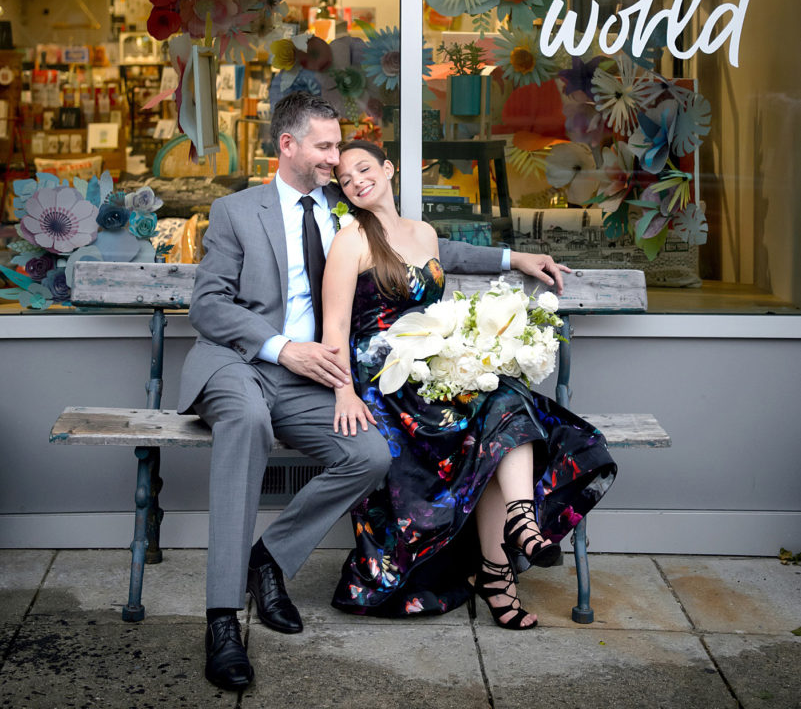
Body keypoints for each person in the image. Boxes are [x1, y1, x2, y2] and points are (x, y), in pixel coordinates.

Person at [179, 91, 570, 689]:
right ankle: (224, 618)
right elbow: (207, 306)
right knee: (248, 425)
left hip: (314, 376)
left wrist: (514, 255)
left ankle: (269, 557)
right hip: (242, 362)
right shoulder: (238, 211)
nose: (338, 160)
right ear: (288, 145)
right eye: (327, 147)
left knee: (369, 454)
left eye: (341, 147)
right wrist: (282, 347)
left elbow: (428, 248)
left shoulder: (347, 204)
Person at [322, 141, 617, 630]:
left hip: (432, 367)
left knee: (501, 412)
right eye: (346, 179)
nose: (356, 181)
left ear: (389, 169)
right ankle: (502, 564)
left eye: (364, 168)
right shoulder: (350, 240)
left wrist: (517, 258)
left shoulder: (424, 233)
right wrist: (344, 392)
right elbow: (334, 329)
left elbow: (453, 269)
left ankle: (512, 537)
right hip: (386, 381)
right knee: (494, 417)